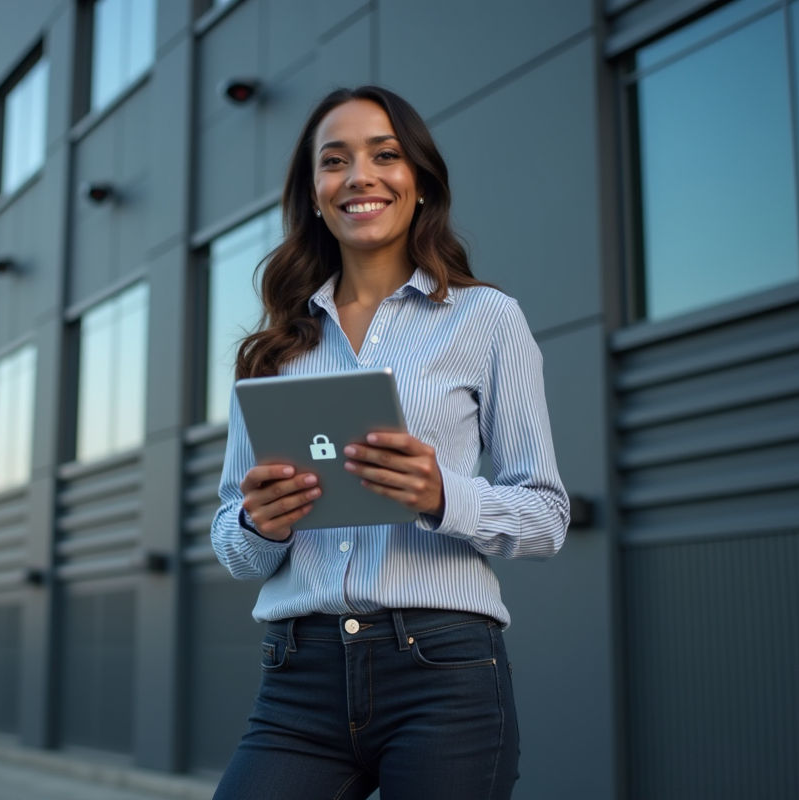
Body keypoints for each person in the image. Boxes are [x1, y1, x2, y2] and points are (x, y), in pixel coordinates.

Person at [209, 85, 569, 800]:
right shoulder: (274, 350)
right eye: (334, 160)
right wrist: (259, 524)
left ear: (420, 180)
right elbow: (233, 544)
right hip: (298, 675)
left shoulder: (487, 319)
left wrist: (442, 496)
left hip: (444, 672)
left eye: (385, 155)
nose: (359, 177)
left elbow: (547, 518)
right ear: (314, 194)